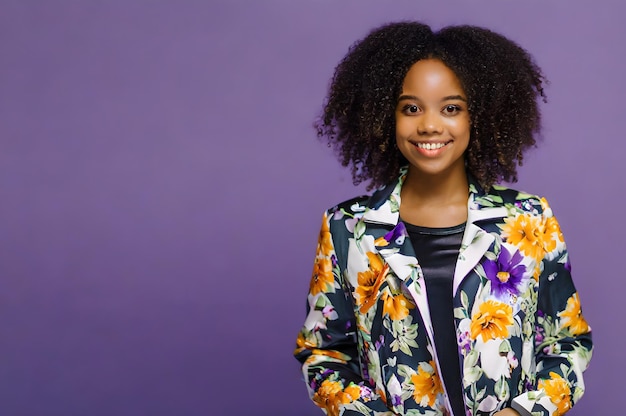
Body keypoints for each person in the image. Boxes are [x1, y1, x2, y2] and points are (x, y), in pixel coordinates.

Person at [293, 21, 593, 416]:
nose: (430, 125)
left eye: (451, 108)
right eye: (411, 108)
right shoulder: (346, 228)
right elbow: (323, 354)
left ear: (479, 117)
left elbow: (567, 343)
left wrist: (521, 413)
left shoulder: (530, 220)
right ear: (386, 117)